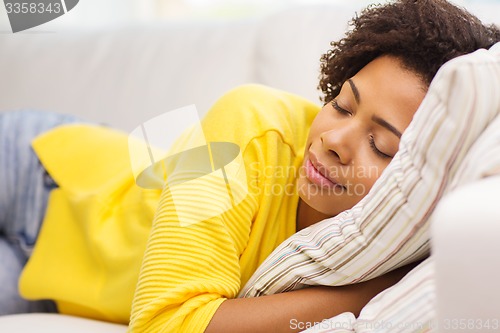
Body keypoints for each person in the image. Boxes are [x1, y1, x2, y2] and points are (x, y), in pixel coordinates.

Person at [0, 0, 498, 332]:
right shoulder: (252, 124)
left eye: (382, 147)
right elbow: (166, 324)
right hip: (45, 175)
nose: (333, 141)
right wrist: (365, 296)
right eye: (342, 105)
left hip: (50, 283)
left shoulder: (410, 249)